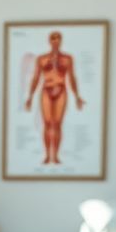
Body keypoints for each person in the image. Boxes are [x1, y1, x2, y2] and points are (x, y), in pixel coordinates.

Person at [24, 31, 85, 165]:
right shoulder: (41, 58)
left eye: (58, 39)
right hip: (46, 90)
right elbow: (36, 78)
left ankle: (55, 156)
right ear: (49, 41)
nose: (56, 41)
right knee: (47, 124)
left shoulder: (68, 58)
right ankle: (47, 155)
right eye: (53, 39)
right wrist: (30, 97)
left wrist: (77, 96)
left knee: (57, 124)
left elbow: (72, 77)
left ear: (61, 41)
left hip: (61, 91)